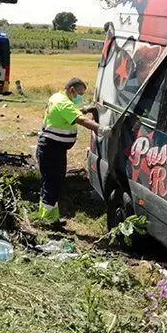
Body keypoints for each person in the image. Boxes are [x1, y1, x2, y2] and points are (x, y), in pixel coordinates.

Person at [37, 78, 110, 225]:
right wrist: (100, 129)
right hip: (52, 149)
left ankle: (50, 217)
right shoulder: (63, 102)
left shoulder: (57, 97)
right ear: (71, 90)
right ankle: (48, 220)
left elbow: (69, 112)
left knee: (51, 182)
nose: (80, 97)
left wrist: (86, 109)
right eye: (80, 93)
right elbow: (80, 120)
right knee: (53, 182)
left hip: (51, 147)